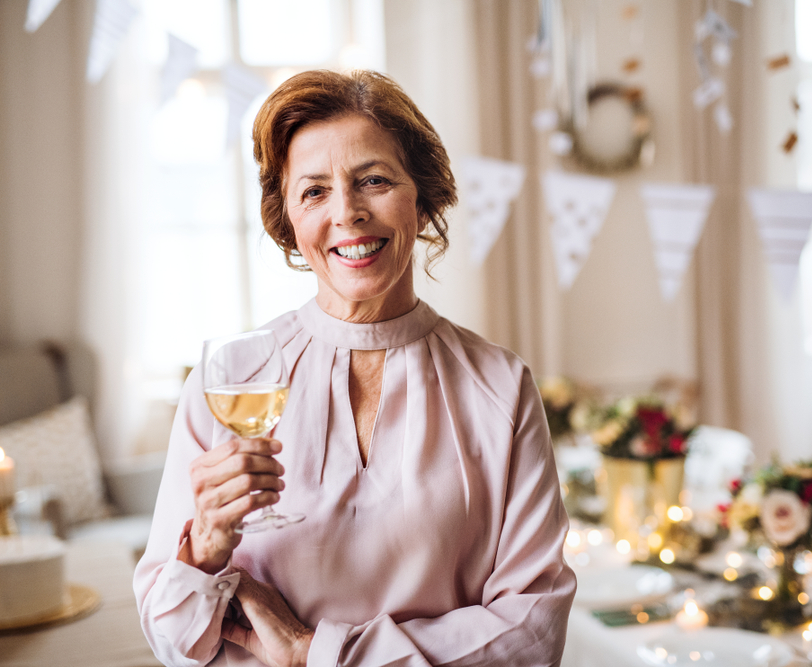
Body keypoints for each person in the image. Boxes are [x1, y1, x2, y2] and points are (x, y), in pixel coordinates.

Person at [133, 69, 576, 667]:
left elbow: (533, 631)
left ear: (421, 199)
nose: (347, 212)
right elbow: (173, 645)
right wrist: (206, 549)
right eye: (314, 192)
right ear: (288, 220)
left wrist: (318, 654)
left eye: (373, 180)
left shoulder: (500, 386)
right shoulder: (228, 378)